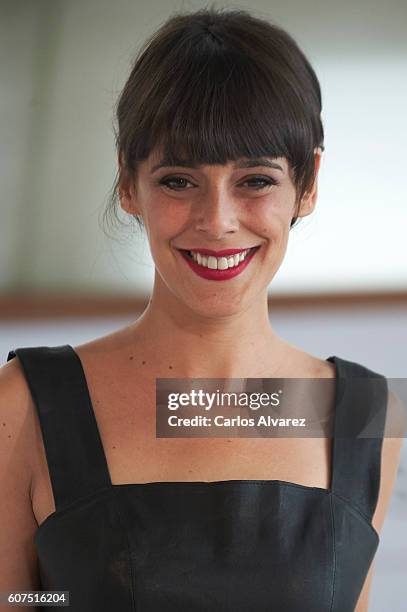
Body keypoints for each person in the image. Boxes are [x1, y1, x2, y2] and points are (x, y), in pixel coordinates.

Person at [0, 7, 404, 612]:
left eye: (257, 181)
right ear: (128, 183)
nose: (217, 222)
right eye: (179, 181)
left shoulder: (361, 413)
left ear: (309, 181)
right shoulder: (26, 404)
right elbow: (24, 601)